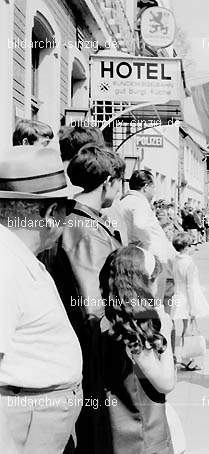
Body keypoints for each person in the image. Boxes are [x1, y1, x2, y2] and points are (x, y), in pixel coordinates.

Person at [39, 145, 125, 453]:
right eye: (121, 181)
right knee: (95, 434)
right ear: (109, 181)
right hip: (92, 354)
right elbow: (93, 306)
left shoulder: (76, 220)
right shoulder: (86, 230)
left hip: (80, 350)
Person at [0, 147, 83, 452]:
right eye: (68, 209)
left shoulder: (18, 255)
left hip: (38, 416)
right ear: (50, 214)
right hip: (26, 421)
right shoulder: (5, 266)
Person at [99, 245, 176, 453]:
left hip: (118, 431)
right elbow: (166, 383)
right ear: (142, 283)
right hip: (146, 437)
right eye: (153, 279)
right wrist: (166, 333)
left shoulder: (106, 321)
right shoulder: (136, 331)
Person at [171, 232, 209, 370]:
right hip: (188, 299)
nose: (194, 247)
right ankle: (187, 358)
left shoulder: (176, 260)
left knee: (185, 328)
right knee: (187, 330)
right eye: (192, 245)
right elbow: (190, 286)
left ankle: (187, 358)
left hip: (179, 295)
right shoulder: (189, 263)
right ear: (187, 247)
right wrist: (194, 307)